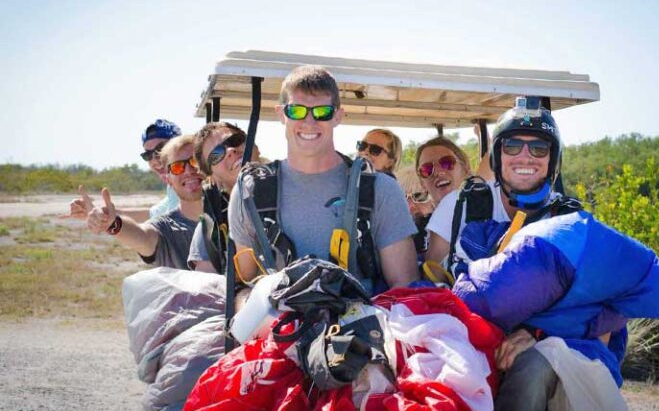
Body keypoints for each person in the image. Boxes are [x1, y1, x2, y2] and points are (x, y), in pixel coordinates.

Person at [427, 97, 659, 411]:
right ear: (498, 155)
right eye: (513, 146)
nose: (525, 156)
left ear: (552, 159)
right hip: (465, 331)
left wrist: (537, 333)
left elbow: (604, 318)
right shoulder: (461, 206)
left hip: (544, 347)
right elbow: (431, 275)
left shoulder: (569, 222)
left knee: (534, 369)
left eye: (539, 148)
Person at [228, 65, 419, 290]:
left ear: (338, 116)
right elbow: (245, 285)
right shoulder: (249, 192)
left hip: (361, 320)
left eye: (322, 112)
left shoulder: (381, 189)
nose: (309, 121)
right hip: (280, 321)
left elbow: (404, 289)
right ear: (281, 114)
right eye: (297, 111)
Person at [85, 135, 204, 269]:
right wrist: (113, 223)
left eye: (195, 162)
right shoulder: (166, 228)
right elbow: (143, 237)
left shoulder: (229, 213)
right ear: (168, 179)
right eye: (177, 167)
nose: (188, 171)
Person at [68, 119, 182, 222]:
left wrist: (113, 227)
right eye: (148, 155)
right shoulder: (173, 188)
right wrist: (96, 212)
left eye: (161, 149)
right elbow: (151, 214)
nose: (155, 160)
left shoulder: (193, 183)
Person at [187, 121, 249, 273]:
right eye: (216, 155)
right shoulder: (210, 229)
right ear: (211, 177)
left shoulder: (291, 185)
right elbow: (208, 291)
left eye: (235, 141)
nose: (231, 151)